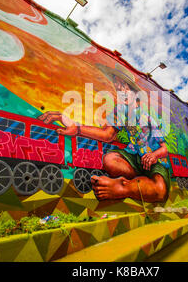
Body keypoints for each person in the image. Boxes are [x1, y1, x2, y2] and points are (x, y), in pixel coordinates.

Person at [38, 74, 170, 203]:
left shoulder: (148, 118)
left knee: (160, 191)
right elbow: (107, 135)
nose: (120, 90)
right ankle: (138, 183)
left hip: (154, 159)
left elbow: (164, 148)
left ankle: (123, 188)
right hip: (134, 157)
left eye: (125, 87)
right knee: (109, 160)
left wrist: (154, 155)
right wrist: (77, 128)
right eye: (118, 87)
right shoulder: (119, 111)